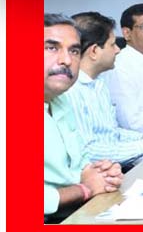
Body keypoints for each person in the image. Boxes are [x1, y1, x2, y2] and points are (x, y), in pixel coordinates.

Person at [64, 12, 143, 163]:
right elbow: (88, 152)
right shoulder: (71, 90)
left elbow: (111, 133)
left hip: (114, 166)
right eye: (112, 45)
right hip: (100, 170)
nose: (118, 50)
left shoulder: (99, 83)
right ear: (94, 51)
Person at [44, 14, 123, 220]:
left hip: (77, 211)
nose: (67, 60)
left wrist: (97, 172)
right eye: (51, 48)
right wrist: (85, 188)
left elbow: (79, 161)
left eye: (74, 51)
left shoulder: (61, 100)